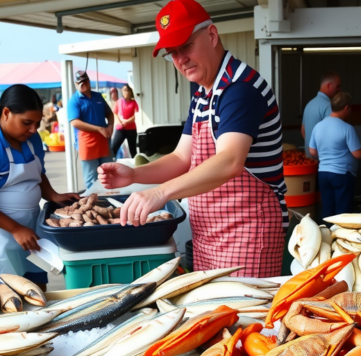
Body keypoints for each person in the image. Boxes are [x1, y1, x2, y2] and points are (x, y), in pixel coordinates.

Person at [97, 0, 287, 277]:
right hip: (210, 234)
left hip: (247, 234)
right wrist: (135, 175)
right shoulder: (203, 93)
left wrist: (160, 192)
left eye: (186, 46)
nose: (180, 60)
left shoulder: (239, 89)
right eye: (171, 53)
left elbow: (230, 160)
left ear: (212, 35)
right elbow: (181, 157)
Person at [0, 84, 79, 289]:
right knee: (3, 294)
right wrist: (15, 229)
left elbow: (38, 173)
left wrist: (53, 195)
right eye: (26, 123)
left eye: (37, 123)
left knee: (36, 289)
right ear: (6, 113)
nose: (33, 129)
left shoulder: (32, 139)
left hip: (28, 226)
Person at [309, 92, 361, 218]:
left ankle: (326, 229)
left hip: (323, 174)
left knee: (327, 210)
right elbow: (358, 154)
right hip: (342, 174)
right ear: (346, 108)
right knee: (343, 213)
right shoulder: (346, 128)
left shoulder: (318, 126)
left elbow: (312, 151)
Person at [67, 70, 114, 189]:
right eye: (79, 82)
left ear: (88, 81)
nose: (82, 84)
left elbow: (109, 113)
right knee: (91, 178)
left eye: (85, 81)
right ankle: (93, 199)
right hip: (86, 142)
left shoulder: (98, 96)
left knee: (108, 172)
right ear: (76, 84)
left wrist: (110, 126)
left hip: (103, 139)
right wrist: (98, 128)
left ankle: (110, 197)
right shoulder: (74, 100)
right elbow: (75, 122)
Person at [301, 71, 341, 157]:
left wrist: (312, 147)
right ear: (329, 86)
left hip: (309, 157)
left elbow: (303, 131)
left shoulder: (309, 104)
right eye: (337, 87)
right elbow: (334, 134)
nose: (339, 90)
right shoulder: (328, 106)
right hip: (323, 159)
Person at [111, 84, 139, 158]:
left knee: (133, 151)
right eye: (123, 91)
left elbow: (136, 115)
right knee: (113, 147)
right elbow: (115, 113)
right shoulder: (119, 101)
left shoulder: (133, 102)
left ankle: (136, 164)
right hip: (120, 128)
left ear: (130, 92)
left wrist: (127, 121)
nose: (125, 92)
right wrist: (120, 122)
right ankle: (111, 162)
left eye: (126, 90)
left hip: (131, 129)